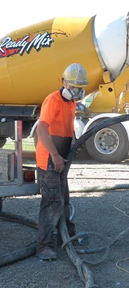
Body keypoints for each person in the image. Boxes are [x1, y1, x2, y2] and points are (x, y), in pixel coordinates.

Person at [35, 63, 88, 260]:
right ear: (64, 82)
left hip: (60, 159)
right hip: (50, 160)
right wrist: (55, 156)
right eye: (73, 86)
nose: (76, 91)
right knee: (52, 202)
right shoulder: (53, 100)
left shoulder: (70, 103)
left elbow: (65, 129)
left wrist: (73, 146)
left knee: (63, 200)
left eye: (80, 87)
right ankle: (43, 246)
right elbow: (42, 129)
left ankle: (67, 237)